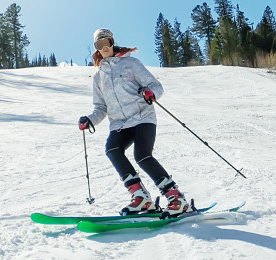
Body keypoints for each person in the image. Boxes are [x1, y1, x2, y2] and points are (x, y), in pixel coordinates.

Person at [78, 28, 192, 217]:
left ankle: (176, 198)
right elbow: (101, 107)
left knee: (142, 155)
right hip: (120, 123)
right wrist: (90, 120)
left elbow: (156, 86)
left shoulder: (130, 64)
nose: (105, 47)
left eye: (107, 42)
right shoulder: (99, 76)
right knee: (112, 149)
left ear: (113, 42)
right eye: (100, 44)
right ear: (96, 48)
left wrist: (150, 93)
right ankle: (141, 198)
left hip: (142, 117)